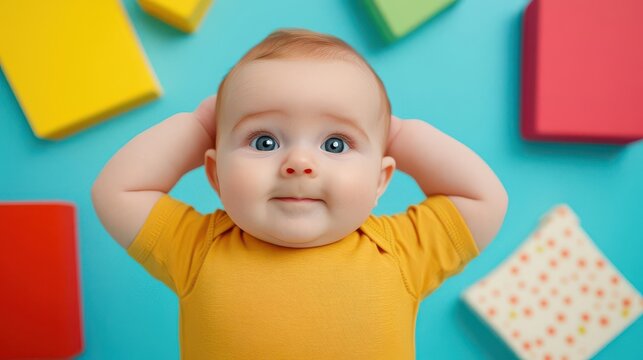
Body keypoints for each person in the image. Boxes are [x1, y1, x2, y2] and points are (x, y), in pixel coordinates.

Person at [92, 28, 508, 359]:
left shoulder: (401, 252)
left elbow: (482, 199)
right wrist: (204, 123)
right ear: (216, 174)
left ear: (380, 181)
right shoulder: (196, 248)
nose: (299, 163)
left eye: (335, 144)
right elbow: (118, 190)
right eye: (264, 141)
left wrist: (396, 132)